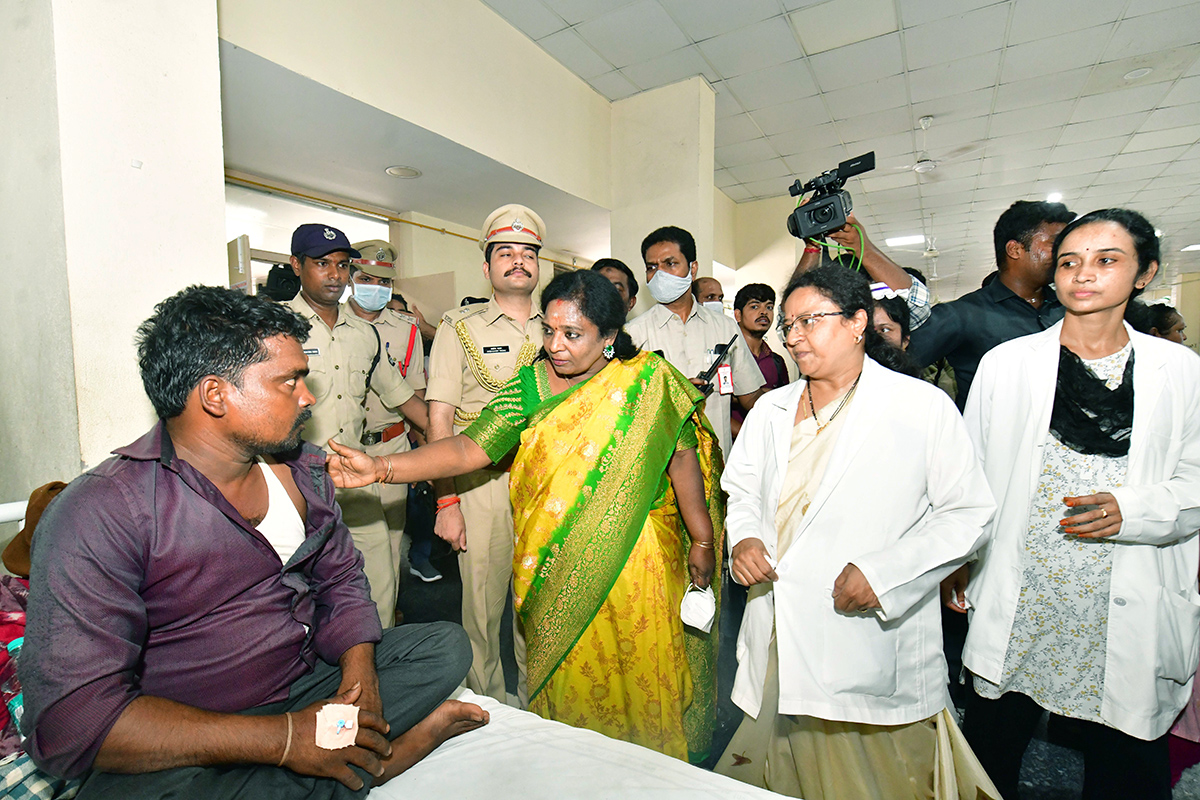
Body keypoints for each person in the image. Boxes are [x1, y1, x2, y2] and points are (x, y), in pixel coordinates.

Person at [19, 285, 486, 799]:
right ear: (215, 395)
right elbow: (68, 723)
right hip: (197, 722)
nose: (308, 398)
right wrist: (285, 740)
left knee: (443, 647)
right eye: (289, 381)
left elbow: (341, 580)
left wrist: (360, 686)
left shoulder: (303, 471)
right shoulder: (104, 510)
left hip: (306, 685)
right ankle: (374, 761)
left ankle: (338, 754)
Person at [328, 269, 725, 763]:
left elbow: (682, 457)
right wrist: (383, 468)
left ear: (608, 336)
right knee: (572, 675)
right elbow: (469, 448)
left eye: (572, 334)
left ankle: (648, 773)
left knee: (639, 668)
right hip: (555, 563)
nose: (555, 346)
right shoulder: (532, 384)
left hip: (637, 563)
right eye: (550, 331)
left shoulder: (649, 381)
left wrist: (701, 540)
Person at [715, 266, 998, 800]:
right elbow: (742, 489)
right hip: (779, 622)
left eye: (809, 321)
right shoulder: (771, 408)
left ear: (857, 323)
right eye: (788, 324)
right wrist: (745, 539)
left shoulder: (919, 406)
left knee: (877, 779)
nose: (793, 336)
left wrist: (884, 574)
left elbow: (968, 513)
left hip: (865, 626)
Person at [949, 209, 1200, 800]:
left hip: (1122, 594)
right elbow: (970, 476)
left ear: (1145, 273)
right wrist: (958, 559)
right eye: (1068, 262)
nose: (1083, 274)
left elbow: (1196, 478)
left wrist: (1136, 510)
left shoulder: (1181, 371)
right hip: (1025, 597)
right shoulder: (1008, 364)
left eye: (1106, 260)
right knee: (991, 756)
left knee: (1125, 767)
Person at [424, 204, 545, 705]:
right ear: (487, 266)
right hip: (481, 484)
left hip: (547, 484)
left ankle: (538, 700)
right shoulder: (459, 326)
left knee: (540, 602)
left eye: (528, 253)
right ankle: (488, 707)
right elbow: (439, 421)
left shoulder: (561, 323)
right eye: (505, 253)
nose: (518, 261)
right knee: (482, 606)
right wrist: (446, 503)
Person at [284, 223, 428, 627]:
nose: (335, 275)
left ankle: (381, 655)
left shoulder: (365, 335)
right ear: (296, 265)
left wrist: (454, 443)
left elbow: (403, 397)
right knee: (300, 589)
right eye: (322, 264)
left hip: (353, 478)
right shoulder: (277, 328)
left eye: (343, 265)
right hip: (297, 480)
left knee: (381, 575)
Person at [908, 200, 1075, 410]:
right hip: (996, 430)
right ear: (1015, 249)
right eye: (1055, 244)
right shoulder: (963, 315)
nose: (1065, 253)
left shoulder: (1071, 310)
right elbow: (894, 364)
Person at [626, 225, 765, 457]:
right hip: (664, 466)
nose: (660, 274)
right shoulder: (633, 335)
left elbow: (751, 396)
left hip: (719, 462)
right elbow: (625, 411)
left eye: (670, 263)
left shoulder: (725, 328)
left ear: (692, 269)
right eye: (652, 267)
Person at [346, 240, 435, 595]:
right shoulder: (331, 325)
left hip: (392, 445)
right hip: (345, 448)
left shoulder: (406, 328)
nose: (376, 288)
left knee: (392, 541)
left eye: (384, 282)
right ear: (351, 278)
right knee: (349, 548)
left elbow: (416, 395)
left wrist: (425, 456)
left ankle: (387, 615)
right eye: (367, 279)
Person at [792, 211, 932, 330]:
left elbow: (917, 306)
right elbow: (791, 313)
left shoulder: (880, 321)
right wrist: (812, 246)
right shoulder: (824, 322)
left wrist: (860, 246)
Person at [731, 283, 789, 438]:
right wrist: (748, 436)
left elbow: (784, 405)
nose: (764, 312)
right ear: (738, 315)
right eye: (755, 307)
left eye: (769, 307)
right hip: (730, 444)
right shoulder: (725, 357)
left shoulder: (777, 362)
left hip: (768, 441)